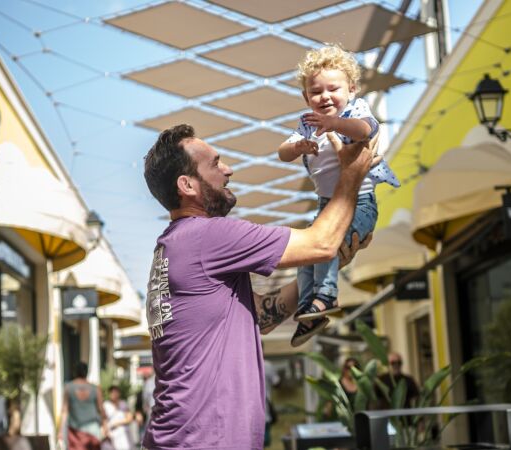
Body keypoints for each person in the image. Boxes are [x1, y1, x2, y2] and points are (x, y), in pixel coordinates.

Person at [141, 123, 377, 448]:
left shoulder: (176, 245)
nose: (228, 170)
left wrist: (316, 273)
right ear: (187, 185)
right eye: (215, 163)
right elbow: (321, 242)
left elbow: (263, 315)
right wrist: (351, 175)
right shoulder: (207, 236)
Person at [277, 44, 400, 347]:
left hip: (360, 203)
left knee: (326, 244)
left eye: (333, 89)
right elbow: (282, 152)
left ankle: (327, 295)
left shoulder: (355, 111)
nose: (325, 97)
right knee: (307, 254)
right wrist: (298, 147)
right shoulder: (308, 123)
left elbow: (365, 130)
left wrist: (335, 124)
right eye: (316, 91)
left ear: (352, 89)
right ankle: (309, 309)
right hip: (325, 205)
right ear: (306, 97)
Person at [58, 362, 108, 446]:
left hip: (75, 431)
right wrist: (105, 426)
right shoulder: (95, 388)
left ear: (75, 372)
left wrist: (61, 431)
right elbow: (101, 409)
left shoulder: (68, 388)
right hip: (93, 429)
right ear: (86, 372)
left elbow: (64, 411)